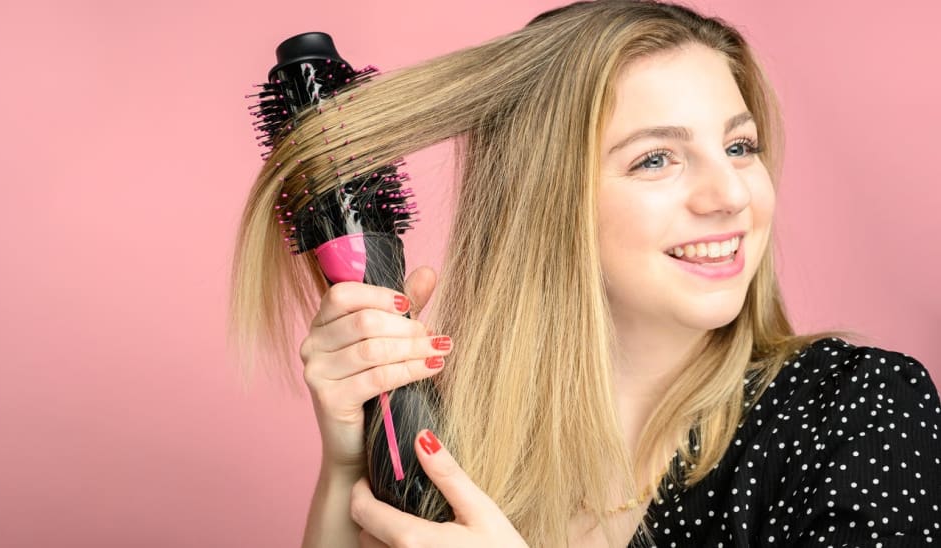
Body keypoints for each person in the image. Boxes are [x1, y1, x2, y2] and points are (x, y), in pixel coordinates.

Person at [228, 1, 941, 546]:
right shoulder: (457, 447)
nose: (729, 194)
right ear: (545, 203)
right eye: (656, 158)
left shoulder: (853, 409)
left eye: (740, 145)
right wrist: (350, 464)